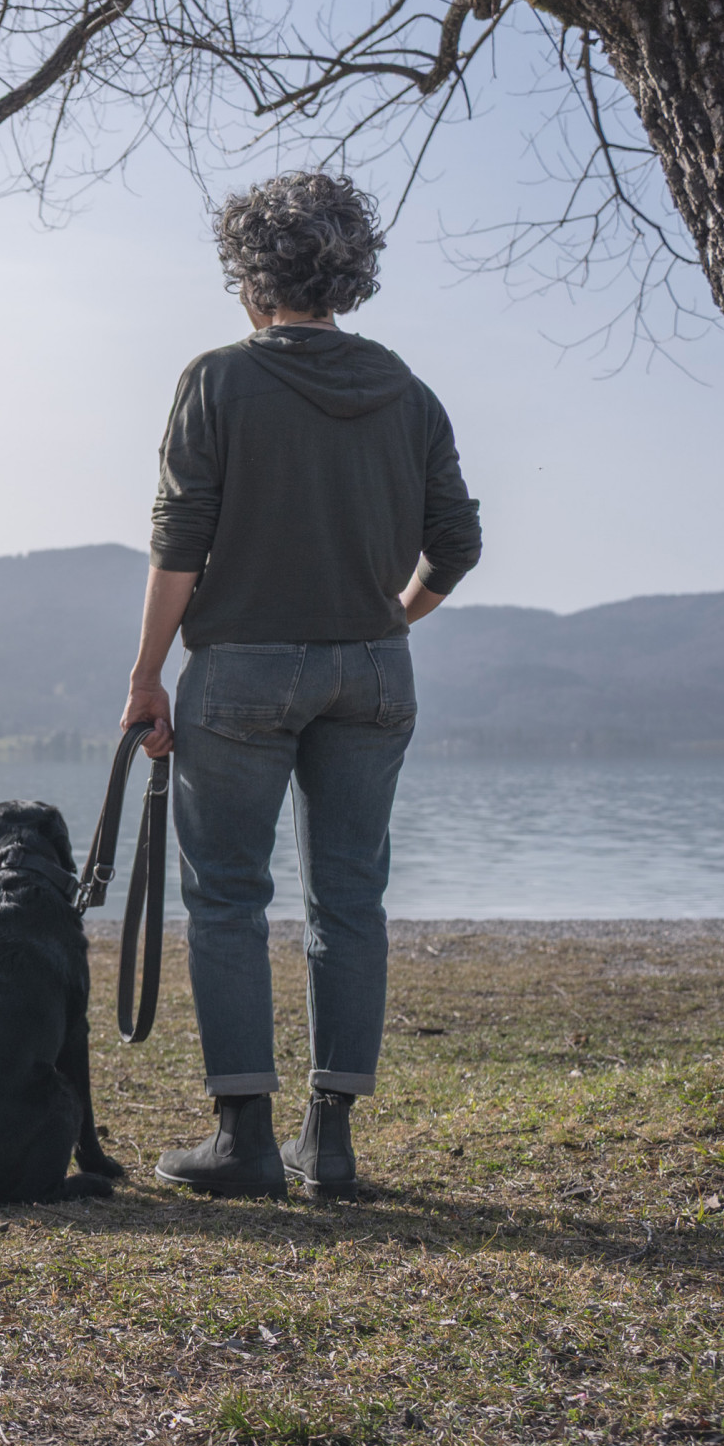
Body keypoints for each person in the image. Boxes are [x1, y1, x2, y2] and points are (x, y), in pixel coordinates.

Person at [121, 171, 482, 1196]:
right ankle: (332, 1144)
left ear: (250, 276)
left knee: (229, 897)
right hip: (373, 672)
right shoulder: (407, 394)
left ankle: (243, 1141)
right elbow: (457, 542)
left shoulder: (219, 381)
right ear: (347, 274)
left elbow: (180, 542)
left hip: (239, 670)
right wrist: (388, 620)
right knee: (350, 897)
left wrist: (148, 675)